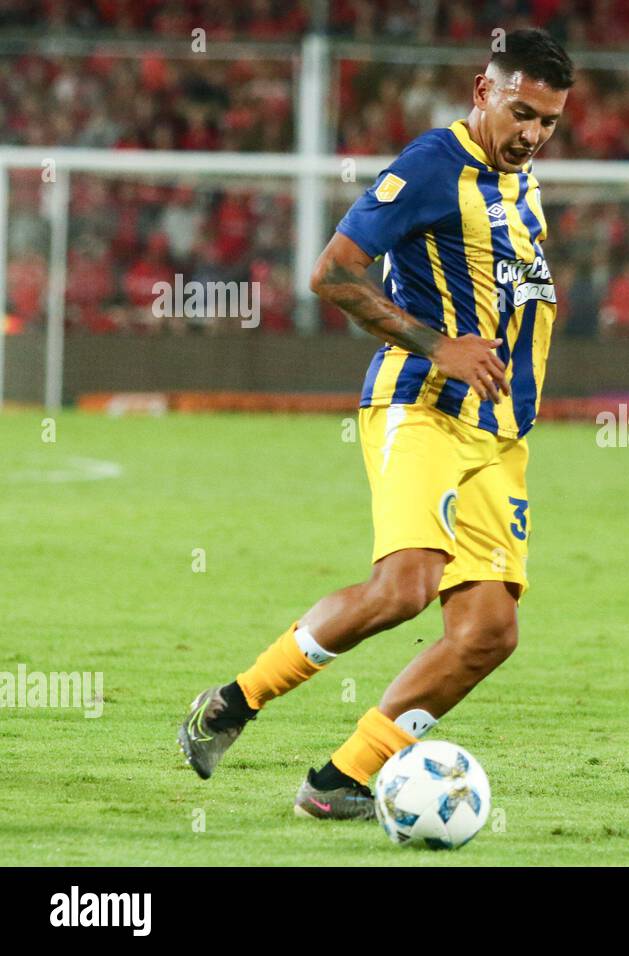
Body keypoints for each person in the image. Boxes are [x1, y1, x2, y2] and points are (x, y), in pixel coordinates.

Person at [177, 29, 574, 819]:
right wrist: (439, 346)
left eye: (550, 122)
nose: (532, 135)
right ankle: (232, 701)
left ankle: (342, 780)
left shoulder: (519, 182)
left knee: (490, 630)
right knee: (405, 587)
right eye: (522, 112)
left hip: (498, 435)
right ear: (482, 90)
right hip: (420, 405)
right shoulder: (432, 164)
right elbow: (332, 273)